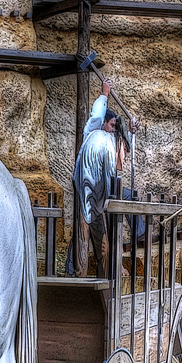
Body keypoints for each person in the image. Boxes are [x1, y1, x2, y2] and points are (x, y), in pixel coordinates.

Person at [67, 80, 137, 277]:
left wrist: (130, 130)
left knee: (100, 237)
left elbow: (123, 146)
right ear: (105, 124)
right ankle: (74, 272)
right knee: (82, 233)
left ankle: (111, 266)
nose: (114, 129)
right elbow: (96, 115)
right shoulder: (94, 132)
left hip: (100, 192)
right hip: (88, 188)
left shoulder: (111, 142)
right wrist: (104, 95)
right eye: (112, 125)